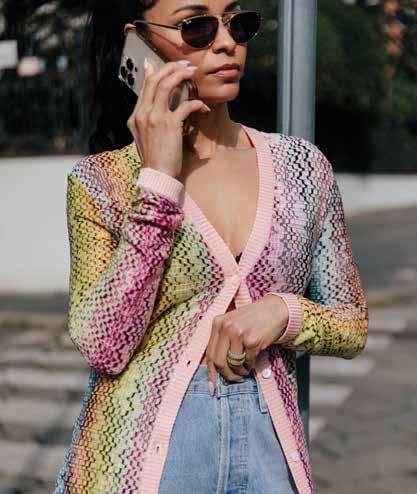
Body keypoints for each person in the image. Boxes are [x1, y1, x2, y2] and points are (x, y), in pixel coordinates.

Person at [53, 1, 369, 493]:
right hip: (143, 471)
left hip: (268, 463)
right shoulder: (102, 182)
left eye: (236, 23)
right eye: (197, 27)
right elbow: (104, 346)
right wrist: (158, 186)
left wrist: (282, 313)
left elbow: (352, 322)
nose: (226, 43)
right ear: (139, 40)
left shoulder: (302, 168)